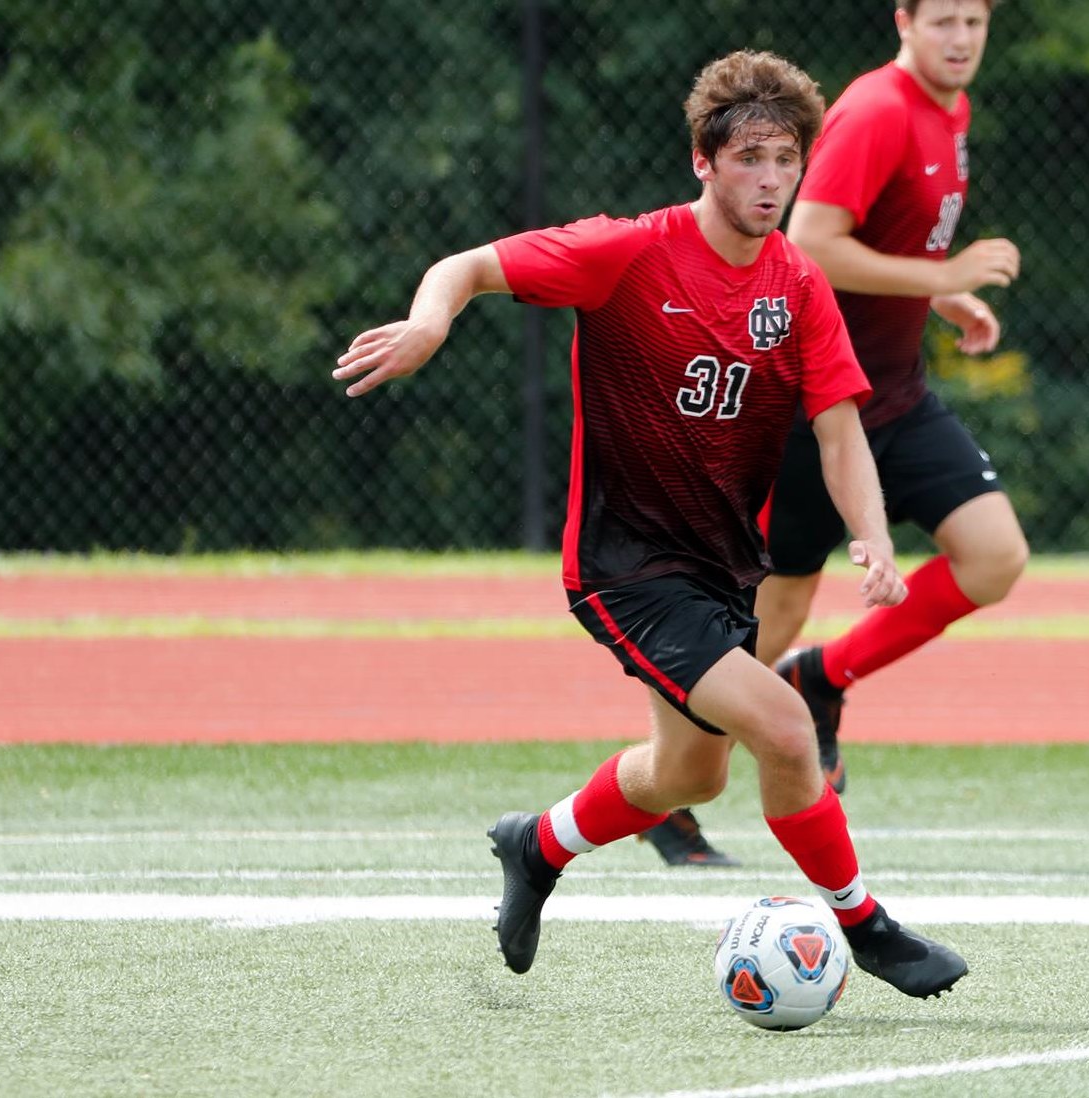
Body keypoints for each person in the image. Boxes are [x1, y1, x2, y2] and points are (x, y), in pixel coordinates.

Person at [333, 49, 970, 998]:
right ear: (703, 163)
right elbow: (465, 267)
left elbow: (840, 432)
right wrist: (432, 321)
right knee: (790, 731)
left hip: (722, 570)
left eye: (786, 159)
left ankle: (536, 845)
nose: (770, 179)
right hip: (626, 565)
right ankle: (865, 925)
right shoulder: (628, 251)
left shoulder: (796, 284)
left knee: (688, 777)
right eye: (748, 157)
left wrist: (871, 533)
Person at [767, 0, 1026, 797]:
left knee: (994, 556)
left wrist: (940, 299)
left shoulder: (951, 108)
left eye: (973, 23)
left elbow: (884, 238)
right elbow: (808, 241)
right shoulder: (877, 110)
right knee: (766, 621)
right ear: (903, 20)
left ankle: (821, 677)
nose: (959, 40)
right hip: (813, 409)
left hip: (895, 396)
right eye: (942, 20)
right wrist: (943, 277)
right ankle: (667, 795)